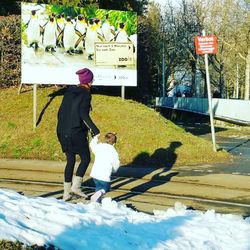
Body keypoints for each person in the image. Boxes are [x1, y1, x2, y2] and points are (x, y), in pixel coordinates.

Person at [57, 68, 100, 201]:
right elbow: (83, 114)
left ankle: (66, 193)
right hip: (75, 131)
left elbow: (59, 113)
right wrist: (95, 130)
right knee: (85, 158)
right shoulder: (86, 94)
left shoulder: (68, 92)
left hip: (62, 131)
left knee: (70, 160)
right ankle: (76, 187)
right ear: (89, 81)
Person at [89, 133, 120, 202]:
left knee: (98, 188)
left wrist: (95, 138)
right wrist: (114, 170)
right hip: (104, 175)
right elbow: (116, 164)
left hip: (95, 174)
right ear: (114, 143)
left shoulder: (99, 147)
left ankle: (96, 201)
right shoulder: (113, 152)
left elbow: (92, 145)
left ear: (105, 140)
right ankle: (100, 193)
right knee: (106, 188)